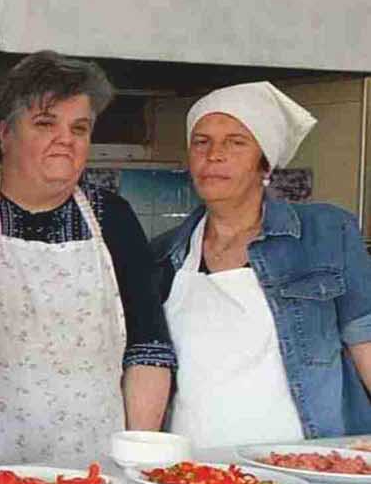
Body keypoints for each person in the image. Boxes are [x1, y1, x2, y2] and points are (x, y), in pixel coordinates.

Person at [0, 52, 174, 467]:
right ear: (5, 132)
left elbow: (147, 349)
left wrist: (138, 460)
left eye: (79, 128)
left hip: (96, 476)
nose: (66, 139)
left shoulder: (113, 218)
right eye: (46, 123)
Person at [152, 81, 371, 447]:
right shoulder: (163, 254)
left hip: (305, 461)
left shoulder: (325, 232)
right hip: (192, 465)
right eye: (201, 142)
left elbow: (365, 339)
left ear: (265, 163)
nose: (214, 155)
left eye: (236, 142)